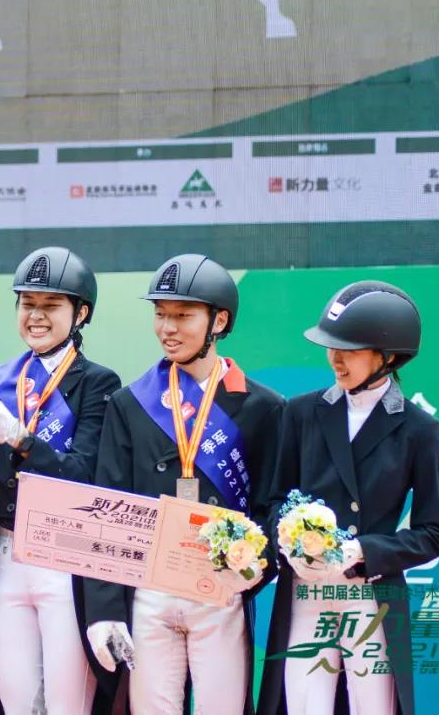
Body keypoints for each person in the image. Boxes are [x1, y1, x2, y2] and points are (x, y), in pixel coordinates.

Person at [83, 254, 284, 715]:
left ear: (219, 321)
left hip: (221, 593)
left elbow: (271, 506)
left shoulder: (264, 408)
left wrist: (253, 570)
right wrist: (105, 610)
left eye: (183, 315)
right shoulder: (129, 404)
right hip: (149, 593)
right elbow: (108, 508)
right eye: (160, 314)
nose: (168, 328)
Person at [257, 280, 439, 715]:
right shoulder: (301, 412)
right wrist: (291, 544)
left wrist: (362, 550)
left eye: (349, 349)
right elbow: (274, 501)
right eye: (331, 347)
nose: (335, 359)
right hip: (307, 590)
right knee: (304, 705)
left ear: (388, 357)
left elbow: (432, 533)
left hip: (370, 593)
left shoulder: (418, 429)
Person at [0, 247, 122, 715]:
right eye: (27, 304)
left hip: (66, 556)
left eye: (51, 305)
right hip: (7, 556)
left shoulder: (98, 383)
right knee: (18, 704)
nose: (36, 316)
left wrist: (19, 436)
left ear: (80, 313)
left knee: (68, 705)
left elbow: (83, 472)